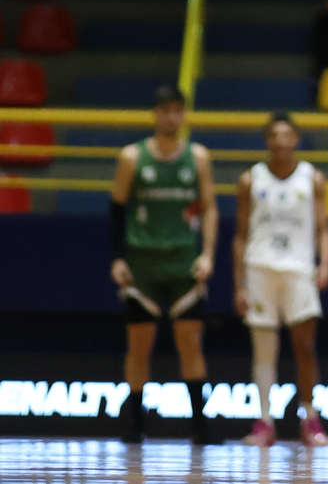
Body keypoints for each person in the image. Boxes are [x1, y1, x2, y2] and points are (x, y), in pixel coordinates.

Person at [108, 84, 218, 444]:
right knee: (139, 345)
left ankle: (200, 427)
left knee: (191, 342)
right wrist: (117, 257)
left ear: (183, 114)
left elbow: (209, 207)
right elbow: (117, 209)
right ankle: (134, 425)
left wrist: (207, 253)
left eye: (177, 110)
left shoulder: (198, 157)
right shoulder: (132, 157)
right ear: (156, 114)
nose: (171, 117)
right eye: (165, 110)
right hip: (143, 262)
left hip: (183, 261)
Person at [235, 112, 328, 447]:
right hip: (260, 267)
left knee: (304, 347)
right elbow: (240, 235)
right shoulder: (251, 179)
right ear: (267, 141)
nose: (280, 141)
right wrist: (239, 284)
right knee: (264, 350)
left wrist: (325, 265)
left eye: (286, 135)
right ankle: (264, 422)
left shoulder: (312, 178)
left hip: (298, 269)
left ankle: (311, 419)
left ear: (296, 140)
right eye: (274, 135)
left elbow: (324, 229)